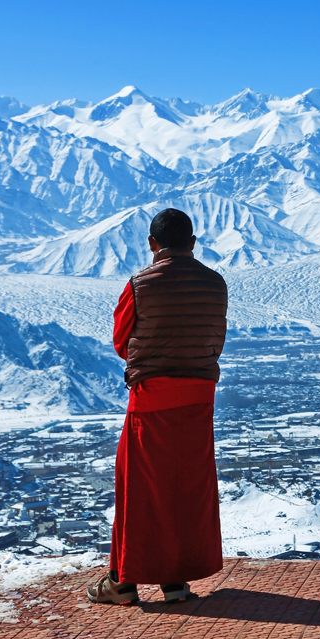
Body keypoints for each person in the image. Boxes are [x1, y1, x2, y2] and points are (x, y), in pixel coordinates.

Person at [87, 208, 228, 605]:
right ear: (193, 243)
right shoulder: (215, 284)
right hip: (199, 401)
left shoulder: (139, 285)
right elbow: (215, 338)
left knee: (138, 488)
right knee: (184, 486)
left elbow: (121, 341)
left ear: (152, 244)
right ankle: (175, 581)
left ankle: (123, 582)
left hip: (150, 400)